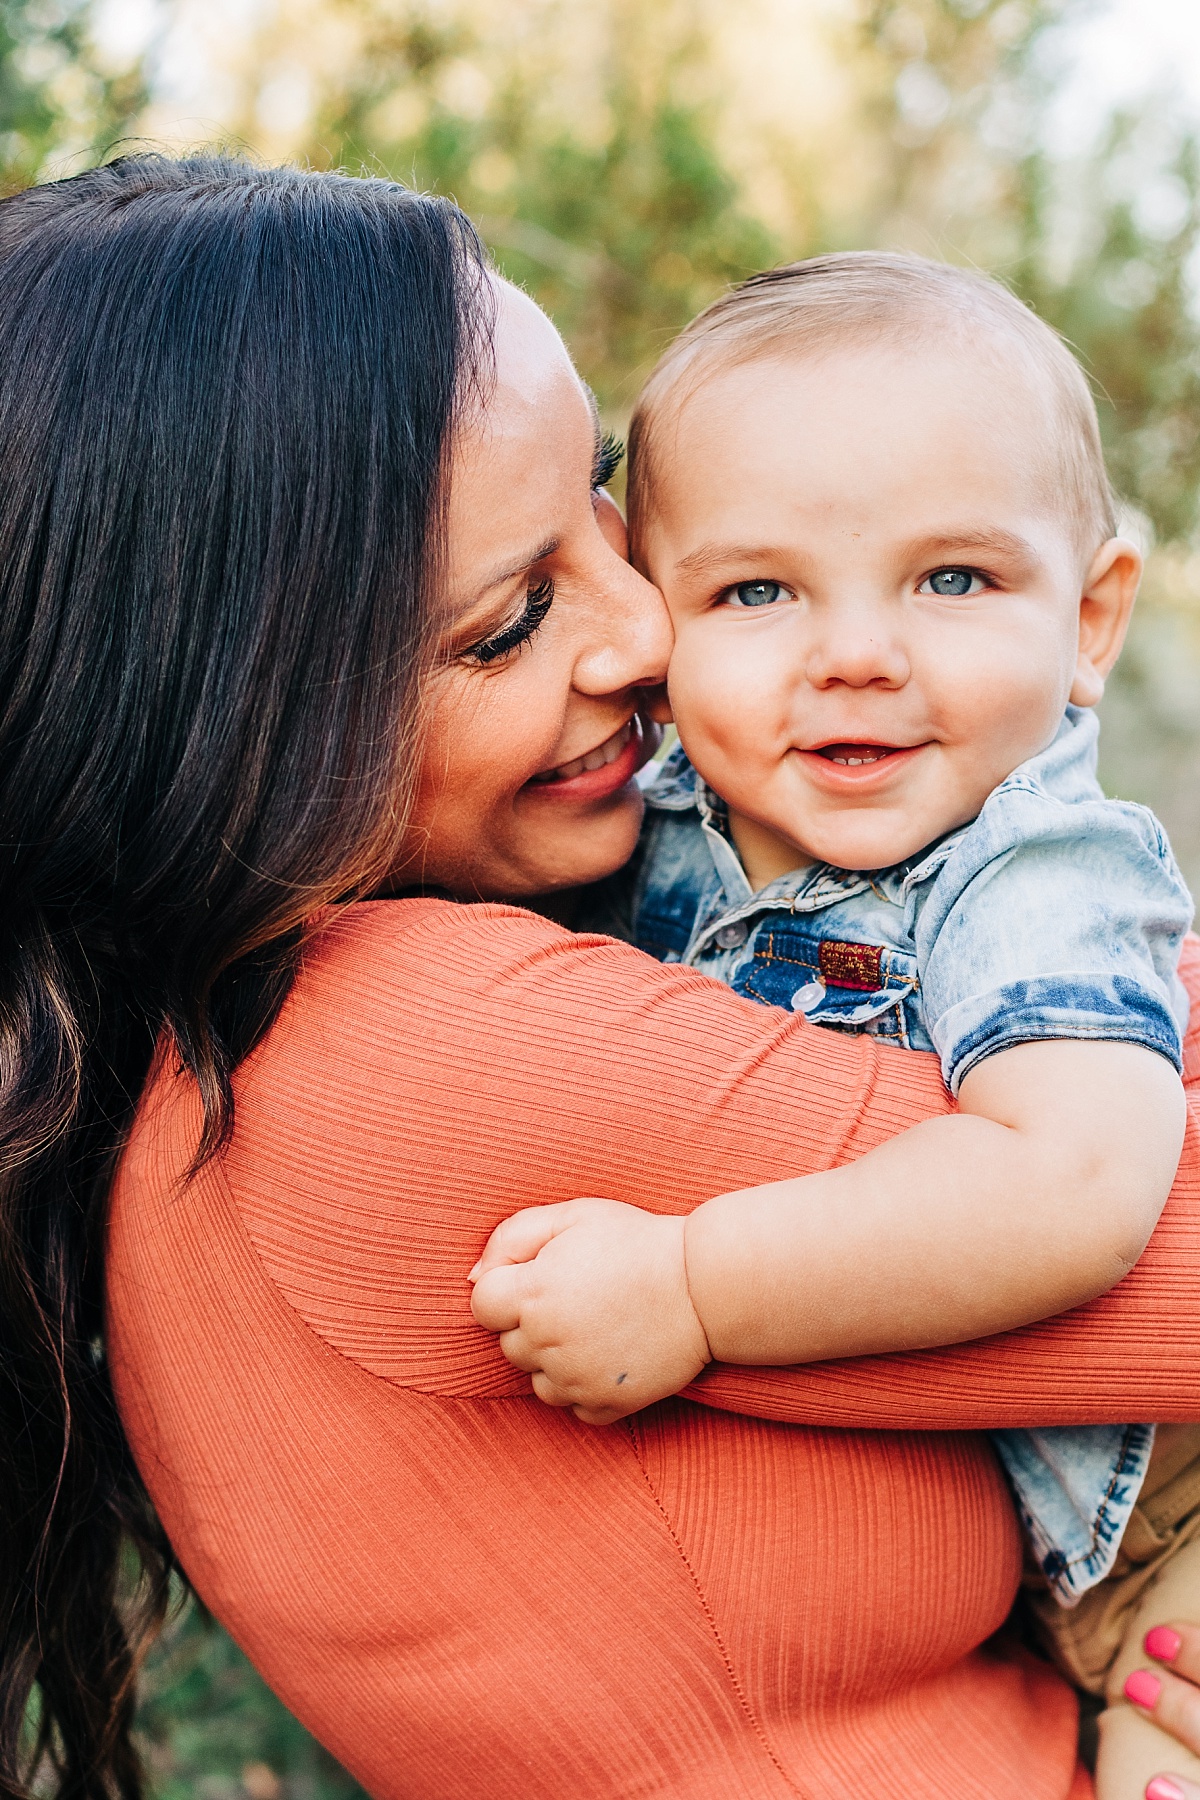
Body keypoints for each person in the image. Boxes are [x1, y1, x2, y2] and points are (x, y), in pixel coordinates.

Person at [3, 155, 1200, 1800]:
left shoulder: (217, 1044)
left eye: (608, 510)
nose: (648, 630)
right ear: (236, 725)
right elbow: (1109, 1225)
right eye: (512, 618)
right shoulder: (401, 1047)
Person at [466, 253, 1200, 1798]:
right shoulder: (662, 825)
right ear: (655, 622)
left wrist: (696, 1285)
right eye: (757, 590)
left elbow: (1074, 1188)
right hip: (980, 1577)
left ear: (1091, 620)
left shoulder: (1032, 863)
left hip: (1163, 1533)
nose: (856, 650)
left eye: (954, 580)